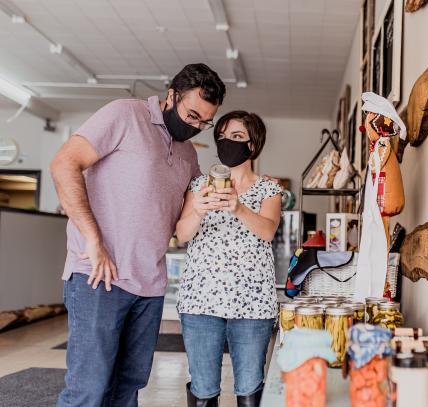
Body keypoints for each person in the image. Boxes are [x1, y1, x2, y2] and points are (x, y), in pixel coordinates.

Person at [51, 63, 226, 407]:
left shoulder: (189, 155)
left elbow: (183, 225)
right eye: (191, 114)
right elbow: (64, 163)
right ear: (171, 95)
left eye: (203, 122)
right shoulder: (125, 114)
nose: (195, 126)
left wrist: (210, 201)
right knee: (89, 388)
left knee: (127, 388)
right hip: (99, 276)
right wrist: (93, 239)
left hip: (149, 285)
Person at [176, 111, 282, 407]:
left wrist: (239, 208)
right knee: (203, 389)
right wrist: (198, 210)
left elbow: (268, 231)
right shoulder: (198, 186)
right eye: (221, 137)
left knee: (249, 387)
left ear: (253, 145)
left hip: (253, 304)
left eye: (236, 137)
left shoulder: (269, 189)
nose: (226, 143)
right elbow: (182, 234)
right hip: (200, 300)